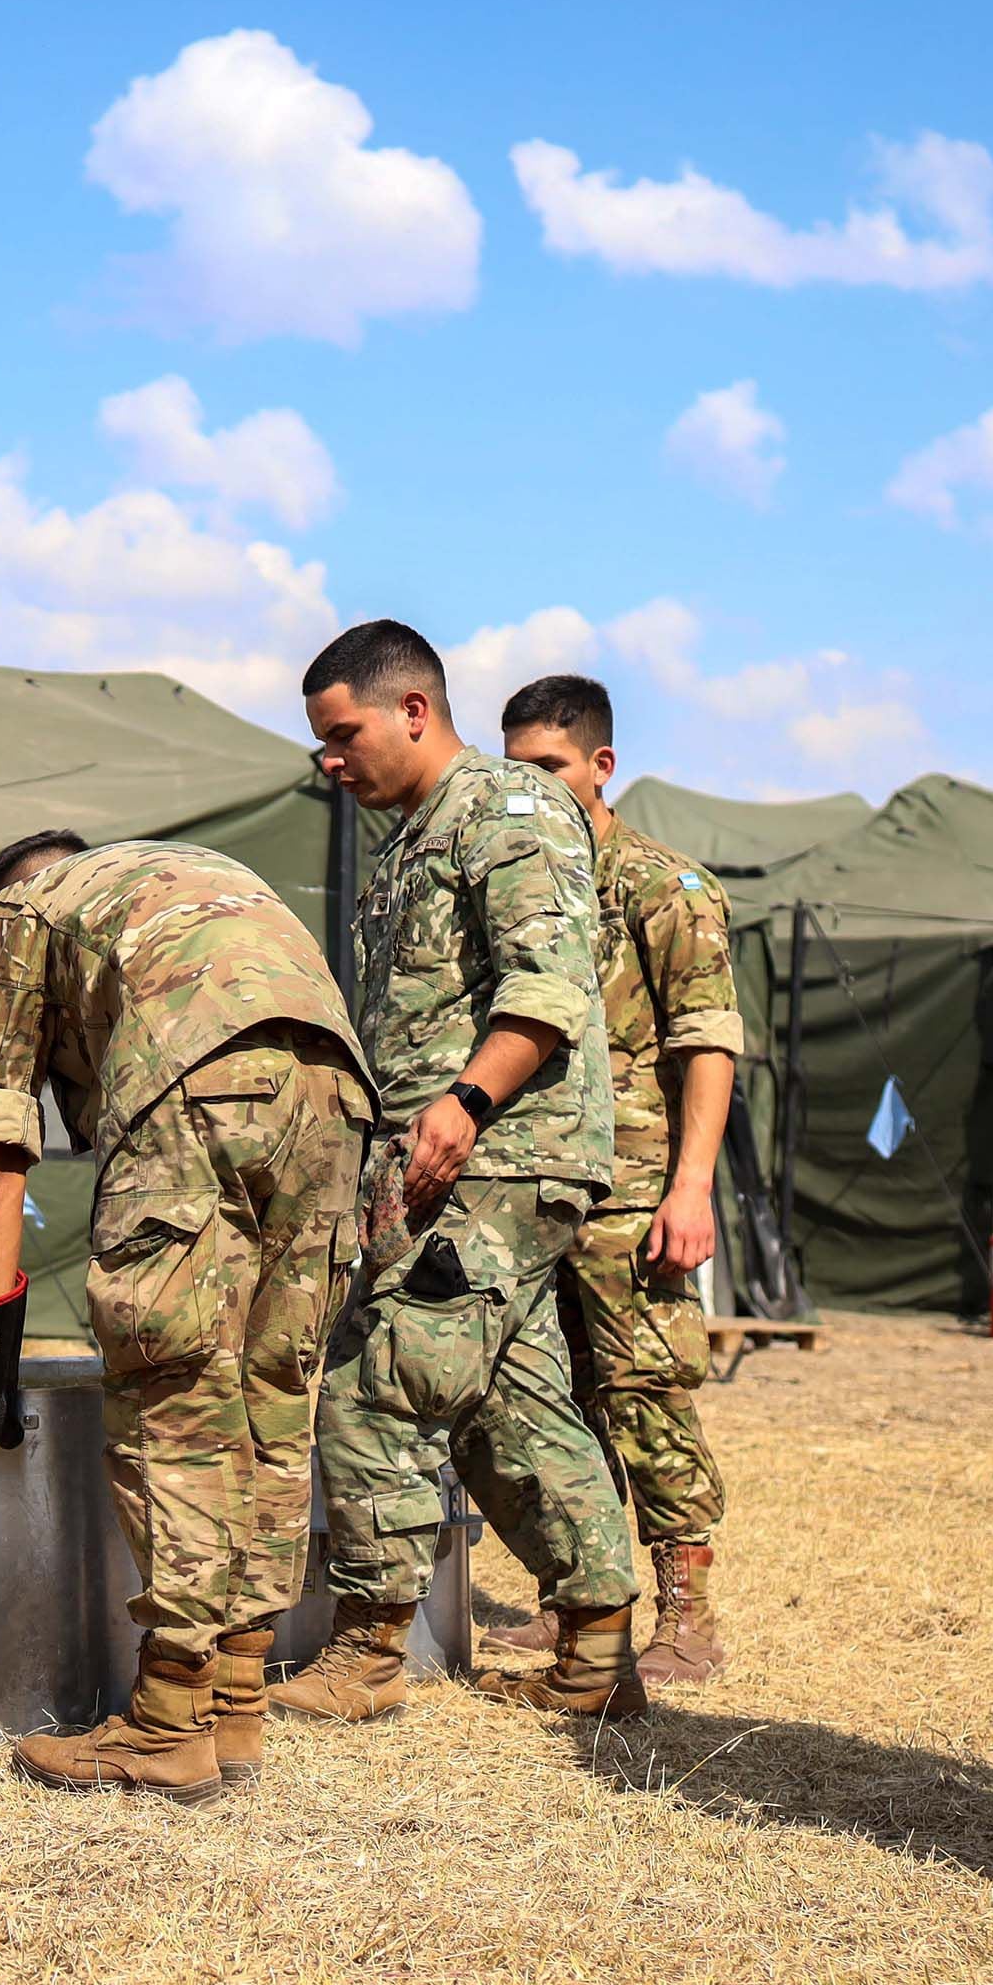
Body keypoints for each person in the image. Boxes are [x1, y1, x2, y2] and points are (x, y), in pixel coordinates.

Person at [0, 833, 374, 1803]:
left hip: (194, 1076)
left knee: (171, 1383)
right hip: (337, 1082)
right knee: (270, 1386)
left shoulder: (12, 920)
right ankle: (237, 1698)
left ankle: (169, 1721)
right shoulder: (161, 887)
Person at [281, 621, 649, 1723]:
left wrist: (465, 1103)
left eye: (343, 735)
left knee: (379, 1373)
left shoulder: (511, 810)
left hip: (499, 1148)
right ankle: (595, 1651)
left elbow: (545, 987)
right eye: (319, 745)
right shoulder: (408, 839)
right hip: (457, 1152)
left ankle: (366, 1651)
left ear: (412, 710)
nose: (332, 762)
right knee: (509, 1401)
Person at [494, 677, 747, 1684]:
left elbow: (708, 1041)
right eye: (518, 773)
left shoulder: (662, 887)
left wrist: (692, 1188)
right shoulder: (519, 882)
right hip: (534, 1182)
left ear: (602, 765)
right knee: (552, 1396)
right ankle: (582, 1600)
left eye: (551, 768)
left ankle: (690, 1614)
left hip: (632, 1188)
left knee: (644, 1392)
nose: (537, 790)